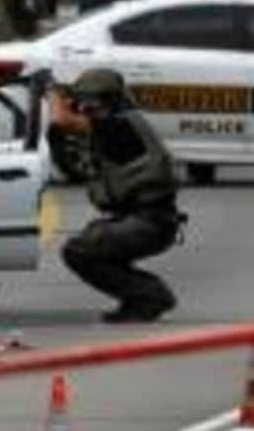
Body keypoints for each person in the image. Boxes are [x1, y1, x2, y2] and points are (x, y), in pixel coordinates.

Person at [50, 69, 184, 323]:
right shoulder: (124, 121)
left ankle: (148, 295)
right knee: (92, 241)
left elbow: (62, 121)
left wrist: (51, 92)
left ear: (102, 101)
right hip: (149, 219)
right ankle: (146, 294)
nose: (82, 108)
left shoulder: (118, 126)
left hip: (148, 223)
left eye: (86, 102)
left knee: (79, 251)